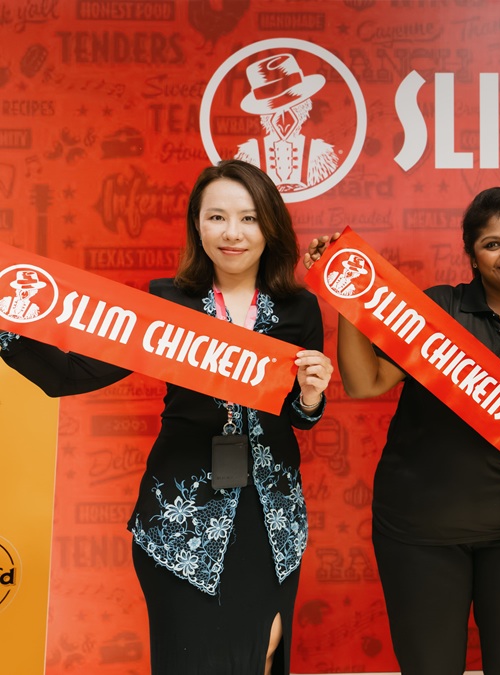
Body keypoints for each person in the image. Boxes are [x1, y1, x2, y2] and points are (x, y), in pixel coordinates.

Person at [0, 159, 333, 675]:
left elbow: (298, 417)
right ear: (196, 225)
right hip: (181, 516)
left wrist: (310, 399)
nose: (232, 233)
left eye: (248, 219)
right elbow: (70, 375)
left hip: (269, 520)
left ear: (270, 226)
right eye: (216, 217)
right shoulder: (165, 301)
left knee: (263, 654)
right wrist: (8, 325)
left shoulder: (299, 310)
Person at [304, 187, 500, 675]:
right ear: (472, 255)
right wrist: (346, 299)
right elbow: (364, 381)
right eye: (492, 244)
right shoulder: (438, 312)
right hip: (420, 535)